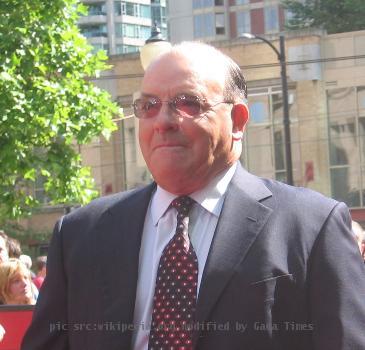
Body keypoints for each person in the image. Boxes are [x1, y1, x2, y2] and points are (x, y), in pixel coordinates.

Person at [22, 42, 365, 350]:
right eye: (149, 105)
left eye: (188, 103)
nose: (163, 121)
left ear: (238, 121)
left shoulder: (312, 227)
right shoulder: (80, 234)